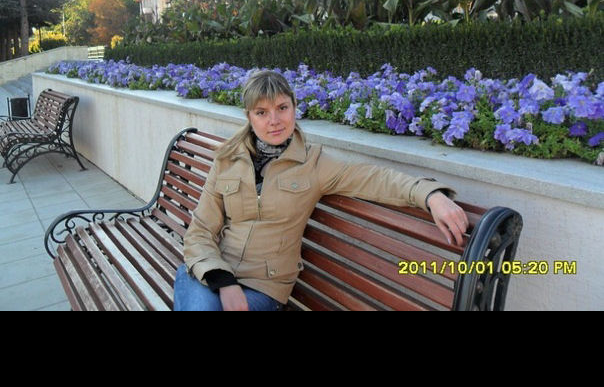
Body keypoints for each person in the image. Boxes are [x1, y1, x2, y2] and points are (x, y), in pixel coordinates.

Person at [173, 69, 469, 311]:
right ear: (249, 117)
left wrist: (429, 195)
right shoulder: (227, 159)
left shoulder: (314, 164)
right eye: (262, 112)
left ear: (294, 107)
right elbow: (200, 231)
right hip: (210, 273)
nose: (274, 121)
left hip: (263, 287)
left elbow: (374, 178)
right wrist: (223, 281)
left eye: (282, 108)